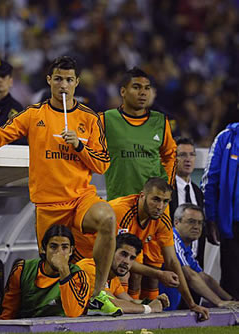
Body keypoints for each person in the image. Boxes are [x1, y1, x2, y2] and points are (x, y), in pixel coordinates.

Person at [0, 56, 121, 316]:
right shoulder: (34, 114)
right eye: (58, 79)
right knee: (53, 269)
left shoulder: (90, 118)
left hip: (80, 200)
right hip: (47, 206)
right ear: (49, 81)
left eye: (69, 80)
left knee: (107, 218)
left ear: (77, 82)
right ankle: (44, 312)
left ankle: (98, 292)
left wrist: (79, 145)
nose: (63, 85)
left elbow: (102, 164)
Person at [100, 67, 176, 302]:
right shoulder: (106, 120)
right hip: (122, 205)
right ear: (123, 91)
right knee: (126, 266)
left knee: (153, 267)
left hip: (153, 207)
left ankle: (151, 316)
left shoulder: (159, 121)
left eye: (147, 88)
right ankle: (130, 312)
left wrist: (164, 189)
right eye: (136, 87)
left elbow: (170, 155)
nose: (143, 93)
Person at [109, 177, 209, 320]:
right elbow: (116, 257)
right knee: (124, 270)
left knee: (141, 269)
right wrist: (159, 274)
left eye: (165, 201)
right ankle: (128, 314)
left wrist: (191, 304)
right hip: (89, 254)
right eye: (155, 199)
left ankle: (141, 314)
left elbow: (172, 261)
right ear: (142, 196)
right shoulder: (121, 212)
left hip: (119, 253)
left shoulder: (162, 219)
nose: (160, 206)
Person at [0, 224, 90, 319]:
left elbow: (73, 312)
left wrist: (64, 270)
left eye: (64, 247)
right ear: (43, 249)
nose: (59, 252)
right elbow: (8, 312)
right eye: (53, 247)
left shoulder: (78, 275)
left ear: (71, 251)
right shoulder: (22, 270)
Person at [160, 204, 239, 310]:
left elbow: (204, 277)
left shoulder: (186, 248)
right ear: (176, 222)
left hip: (166, 305)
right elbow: (190, 275)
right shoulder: (172, 240)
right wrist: (219, 302)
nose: (197, 227)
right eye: (191, 221)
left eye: (200, 223)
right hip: (157, 303)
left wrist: (231, 300)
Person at [77, 233, 170, 315]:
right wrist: (150, 308)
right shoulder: (89, 268)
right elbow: (111, 304)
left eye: (132, 258)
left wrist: (153, 302)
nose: (126, 262)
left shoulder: (113, 278)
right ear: (110, 252)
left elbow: (130, 301)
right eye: (123, 254)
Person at [202, 122, 239, 300]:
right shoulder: (226, 138)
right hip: (232, 224)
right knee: (232, 278)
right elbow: (210, 179)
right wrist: (211, 217)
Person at [169, 137, 205, 266]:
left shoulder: (198, 192)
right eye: (182, 155)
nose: (188, 159)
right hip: (172, 263)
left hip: (195, 261)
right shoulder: (166, 190)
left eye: (191, 155)